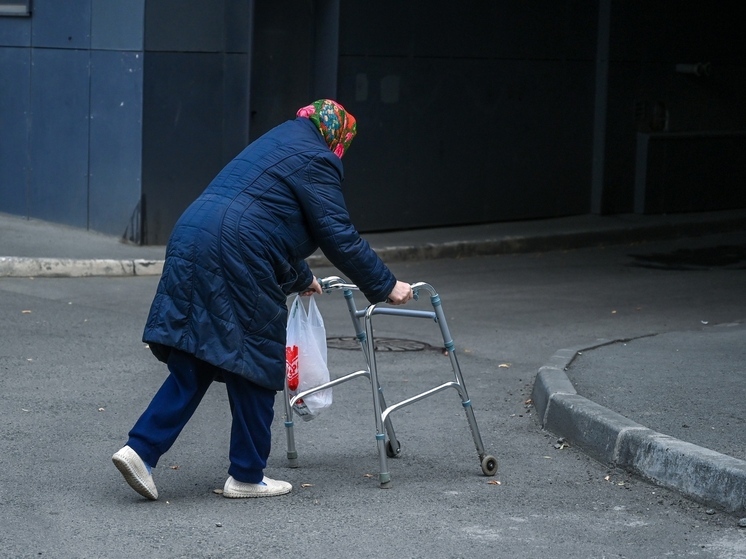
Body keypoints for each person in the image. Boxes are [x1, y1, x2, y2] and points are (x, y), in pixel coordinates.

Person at [112, 99, 413, 500]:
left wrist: (302, 277)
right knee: (254, 362)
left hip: (193, 235)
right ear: (336, 136)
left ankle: (140, 450)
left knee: (199, 354)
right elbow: (336, 234)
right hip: (235, 249)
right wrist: (386, 284)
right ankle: (247, 475)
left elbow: (266, 214)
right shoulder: (316, 158)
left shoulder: (276, 142)